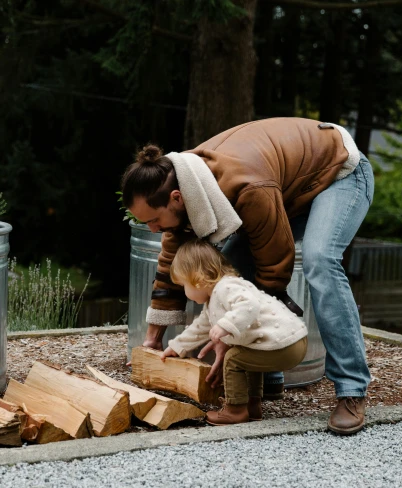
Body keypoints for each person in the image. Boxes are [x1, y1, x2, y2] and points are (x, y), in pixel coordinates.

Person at [120, 117, 374, 435]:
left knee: (319, 260)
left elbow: (274, 266)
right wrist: (153, 339)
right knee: (227, 272)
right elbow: (173, 265)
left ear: (176, 199)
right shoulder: (179, 184)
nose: (153, 229)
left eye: (155, 220)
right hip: (288, 189)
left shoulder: (248, 186)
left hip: (339, 172)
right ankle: (263, 381)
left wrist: (231, 335)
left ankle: (351, 390)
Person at [160, 239, 307, 425]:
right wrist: (177, 346)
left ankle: (235, 410)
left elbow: (249, 305)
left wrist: (225, 325)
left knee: (233, 359)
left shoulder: (225, 288)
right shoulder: (214, 298)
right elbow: (200, 328)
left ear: (197, 279)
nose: (184, 292)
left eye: (184, 285)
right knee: (247, 359)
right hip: (289, 343)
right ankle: (252, 406)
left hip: (287, 344)